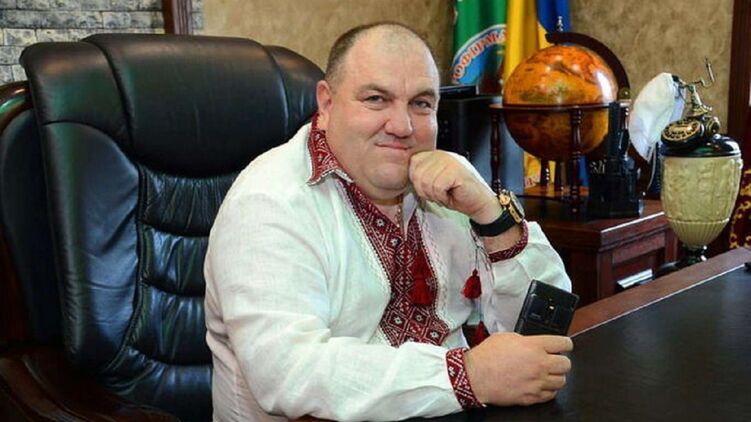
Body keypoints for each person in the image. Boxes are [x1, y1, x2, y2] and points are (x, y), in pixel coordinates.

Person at [204, 22, 573, 422]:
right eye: (376, 99)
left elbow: (543, 331)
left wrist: (491, 217)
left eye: (421, 103)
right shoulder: (269, 201)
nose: (403, 127)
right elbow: (287, 373)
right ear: (326, 104)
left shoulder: (448, 181)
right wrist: (468, 375)